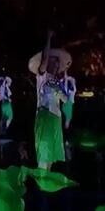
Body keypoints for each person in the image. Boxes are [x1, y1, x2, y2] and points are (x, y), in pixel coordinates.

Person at [28, 30, 71, 171]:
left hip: (56, 118)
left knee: (52, 155)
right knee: (44, 152)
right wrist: (48, 38)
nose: (55, 64)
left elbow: (65, 99)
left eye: (57, 62)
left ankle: (47, 179)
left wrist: (62, 89)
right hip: (44, 116)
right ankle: (41, 179)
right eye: (53, 61)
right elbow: (45, 59)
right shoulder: (42, 77)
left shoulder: (57, 82)